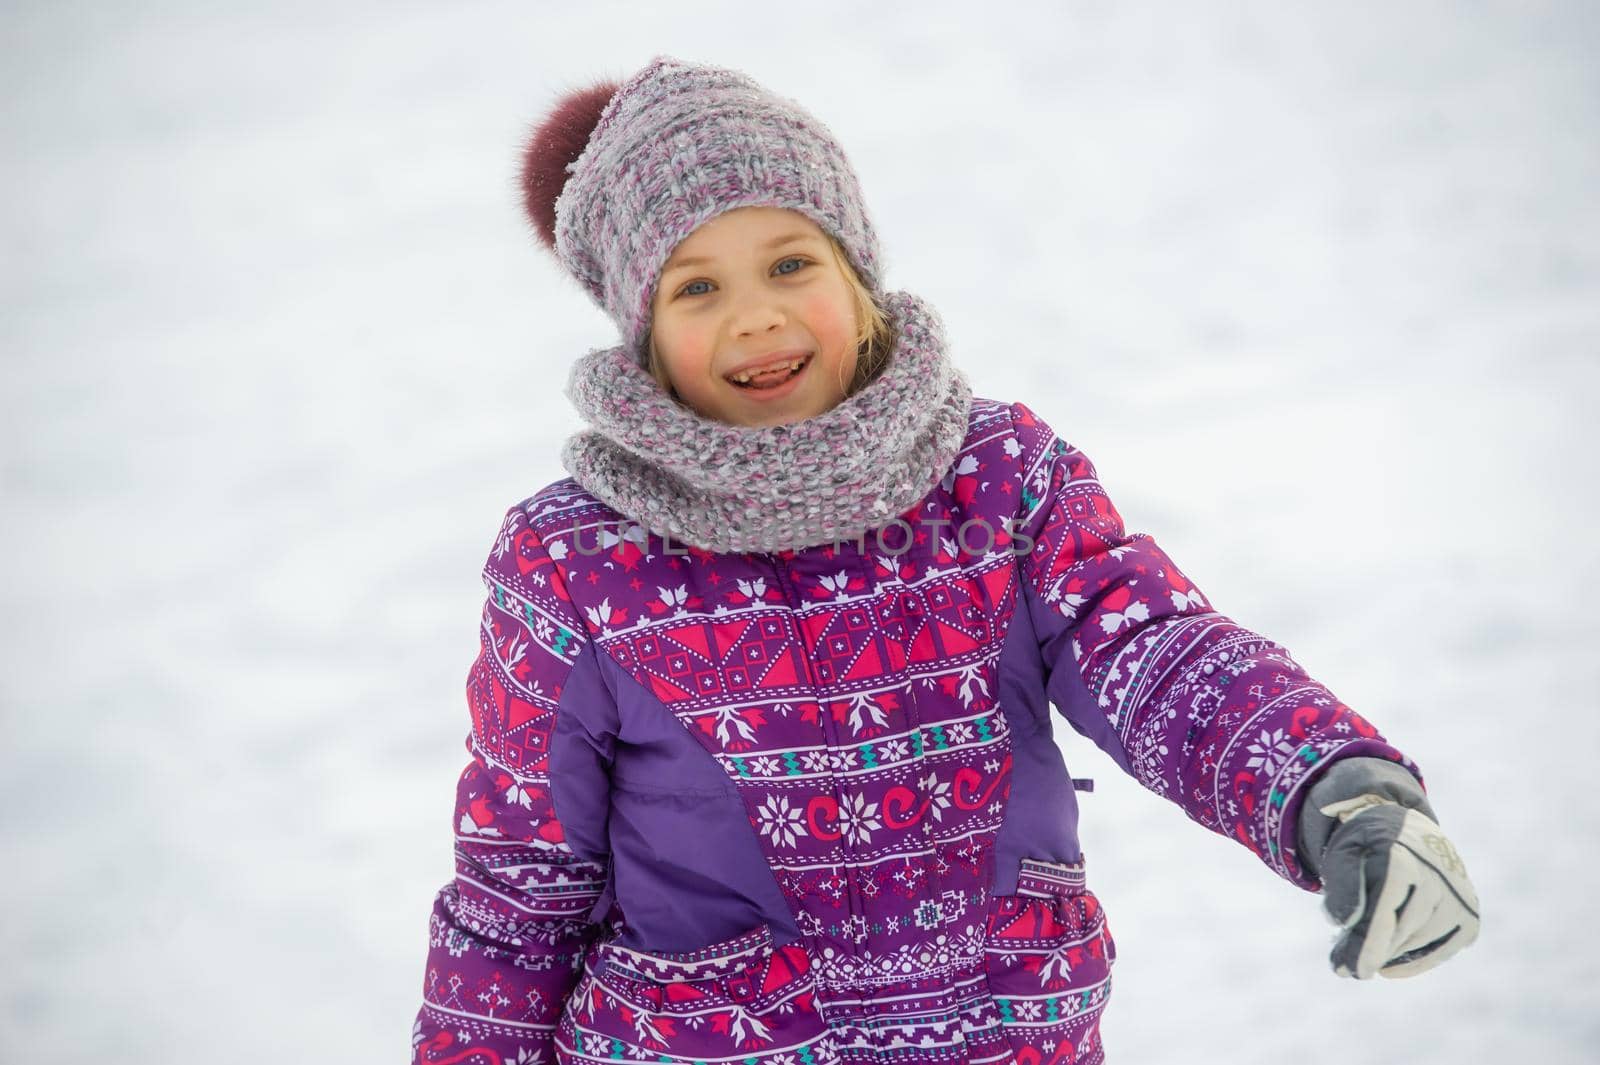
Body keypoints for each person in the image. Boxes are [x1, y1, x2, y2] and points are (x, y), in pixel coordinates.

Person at [410, 55, 1480, 1065]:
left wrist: (1332, 788)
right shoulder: (576, 561)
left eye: (791, 262)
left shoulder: (998, 481)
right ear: (639, 332)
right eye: (696, 288)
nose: (757, 315)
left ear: (856, 270)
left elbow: (1153, 653)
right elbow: (518, 886)